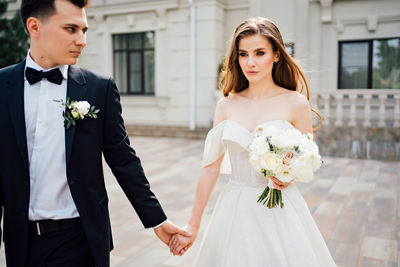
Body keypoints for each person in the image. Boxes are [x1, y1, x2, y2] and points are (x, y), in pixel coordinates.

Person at [0, 0, 190, 266]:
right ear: (34, 27)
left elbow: (124, 160)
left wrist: (157, 219)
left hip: (81, 240)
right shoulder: (2, 86)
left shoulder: (98, 89)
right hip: (22, 243)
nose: (82, 40)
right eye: (71, 29)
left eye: (84, 30)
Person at [168, 17, 336, 266]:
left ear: (277, 54)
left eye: (260, 53)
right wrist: (193, 224)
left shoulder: (295, 103)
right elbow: (210, 168)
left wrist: (288, 175)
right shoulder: (225, 105)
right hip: (234, 206)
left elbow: (307, 157)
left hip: (280, 209)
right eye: (243, 54)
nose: (250, 62)